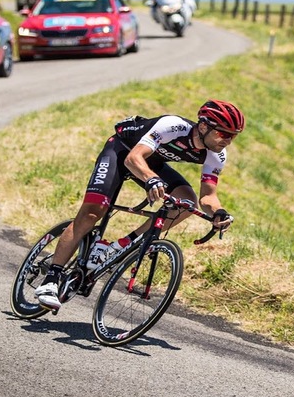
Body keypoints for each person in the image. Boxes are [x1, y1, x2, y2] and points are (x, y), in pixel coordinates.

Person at [34, 99, 246, 309]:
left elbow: (207, 196)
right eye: (222, 133)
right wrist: (151, 179)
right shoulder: (173, 126)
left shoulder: (217, 154)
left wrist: (218, 211)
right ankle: (51, 279)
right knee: (92, 213)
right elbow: (133, 158)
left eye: (233, 136)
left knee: (187, 201)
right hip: (121, 152)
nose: (227, 140)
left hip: (150, 162)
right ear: (202, 126)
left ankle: (124, 244)